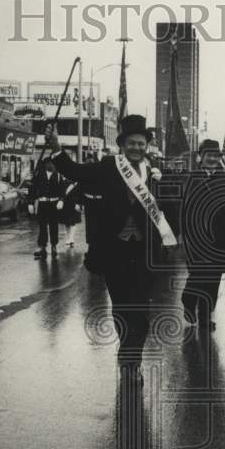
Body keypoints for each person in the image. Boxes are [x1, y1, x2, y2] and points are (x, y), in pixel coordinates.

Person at [46, 115, 178, 374]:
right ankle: (126, 348)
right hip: (114, 251)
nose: (137, 148)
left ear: (146, 146)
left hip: (144, 252)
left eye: (141, 143)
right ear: (122, 144)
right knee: (120, 306)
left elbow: (168, 208)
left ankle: (131, 361)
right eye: (132, 143)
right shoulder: (108, 166)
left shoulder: (154, 172)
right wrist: (56, 148)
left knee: (140, 308)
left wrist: (171, 238)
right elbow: (75, 171)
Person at [179, 139, 225, 332]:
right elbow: (184, 209)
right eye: (208, 155)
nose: (212, 159)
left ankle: (205, 318)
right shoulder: (191, 178)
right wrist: (181, 235)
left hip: (218, 238)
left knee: (213, 281)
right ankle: (188, 300)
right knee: (198, 276)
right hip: (196, 237)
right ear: (200, 156)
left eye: (216, 156)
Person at [31, 158, 63, 258]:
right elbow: (33, 189)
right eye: (50, 164)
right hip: (43, 203)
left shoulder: (58, 175)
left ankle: (54, 246)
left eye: (53, 164)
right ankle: (42, 247)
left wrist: (61, 200)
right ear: (46, 165)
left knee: (54, 226)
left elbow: (62, 189)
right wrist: (30, 203)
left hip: (54, 204)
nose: (52, 166)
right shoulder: (39, 175)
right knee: (42, 226)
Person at [59, 178, 84, 249]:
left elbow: (81, 193)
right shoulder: (62, 181)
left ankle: (71, 239)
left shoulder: (77, 181)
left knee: (73, 222)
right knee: (66, 222)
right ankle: (67, 238)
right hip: (65, 204)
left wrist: (79, 204)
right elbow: (61, 192)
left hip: (74, 203)